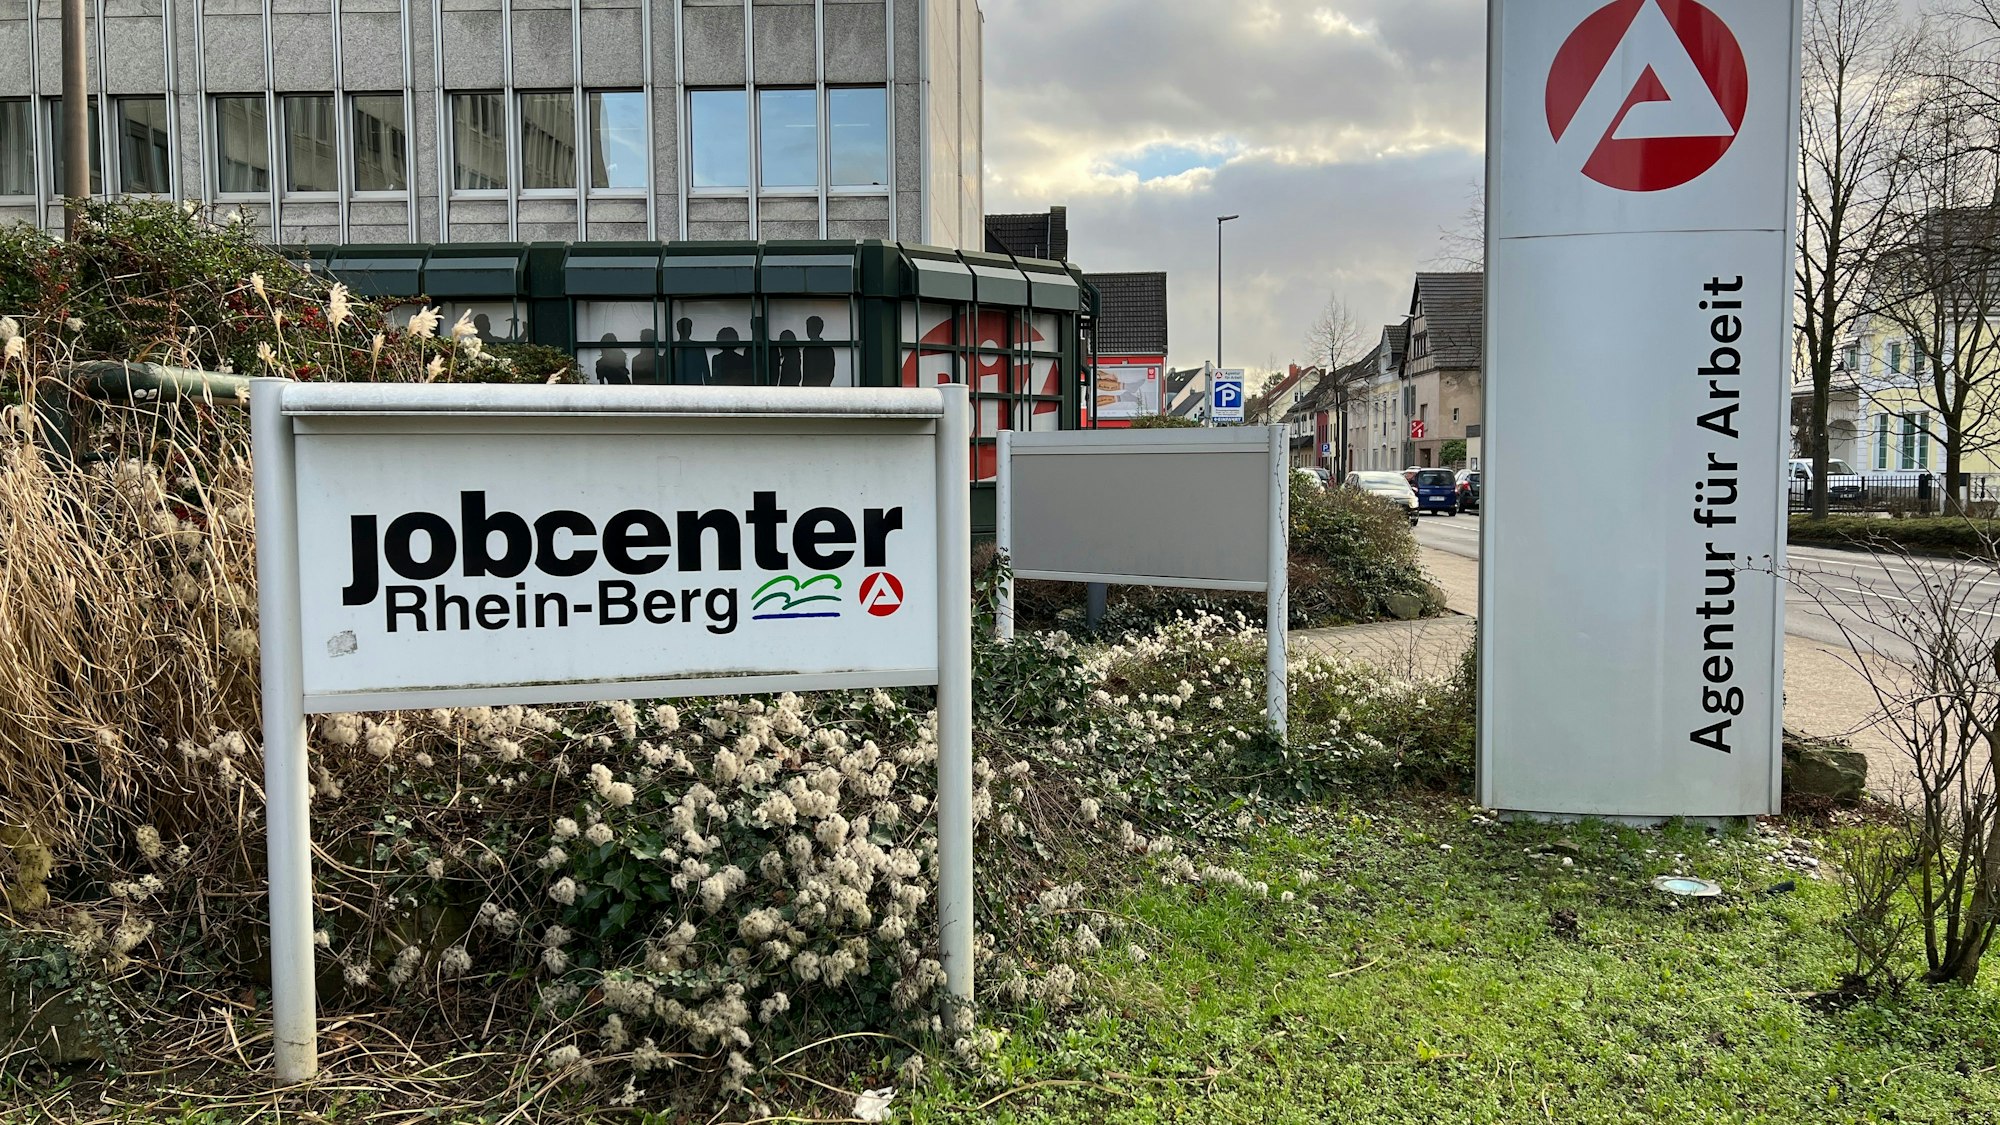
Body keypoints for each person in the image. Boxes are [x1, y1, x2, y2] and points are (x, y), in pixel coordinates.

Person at [674, 317, 711, 384]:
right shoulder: (673, 348)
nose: (687, 330)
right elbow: (706, 372)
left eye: (688, 328)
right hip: (683, 386)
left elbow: (706, 372)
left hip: (692, 386)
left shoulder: (673, 348)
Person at [803, 315, 837, 386]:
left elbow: (829, 373)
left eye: (811, 328)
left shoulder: (826, 349)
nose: (808, 331)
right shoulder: (827, 349)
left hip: (818, 387)